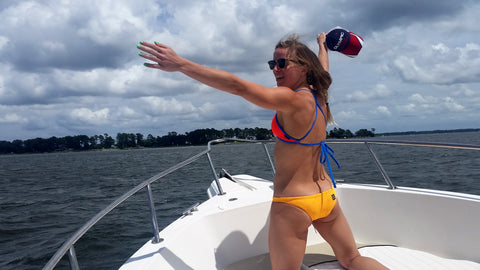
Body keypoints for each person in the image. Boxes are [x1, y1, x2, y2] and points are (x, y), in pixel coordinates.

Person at [137, 33, 387, 270]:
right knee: (353, 259)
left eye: (282, 63)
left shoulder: (291, 99)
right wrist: (322, 45)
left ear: (303, 68)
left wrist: (181, 65)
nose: (275, 69)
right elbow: (323, 69)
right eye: (272, 63)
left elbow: (238, 87)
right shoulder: (319, 95)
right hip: (326, 198)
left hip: (294, 203)